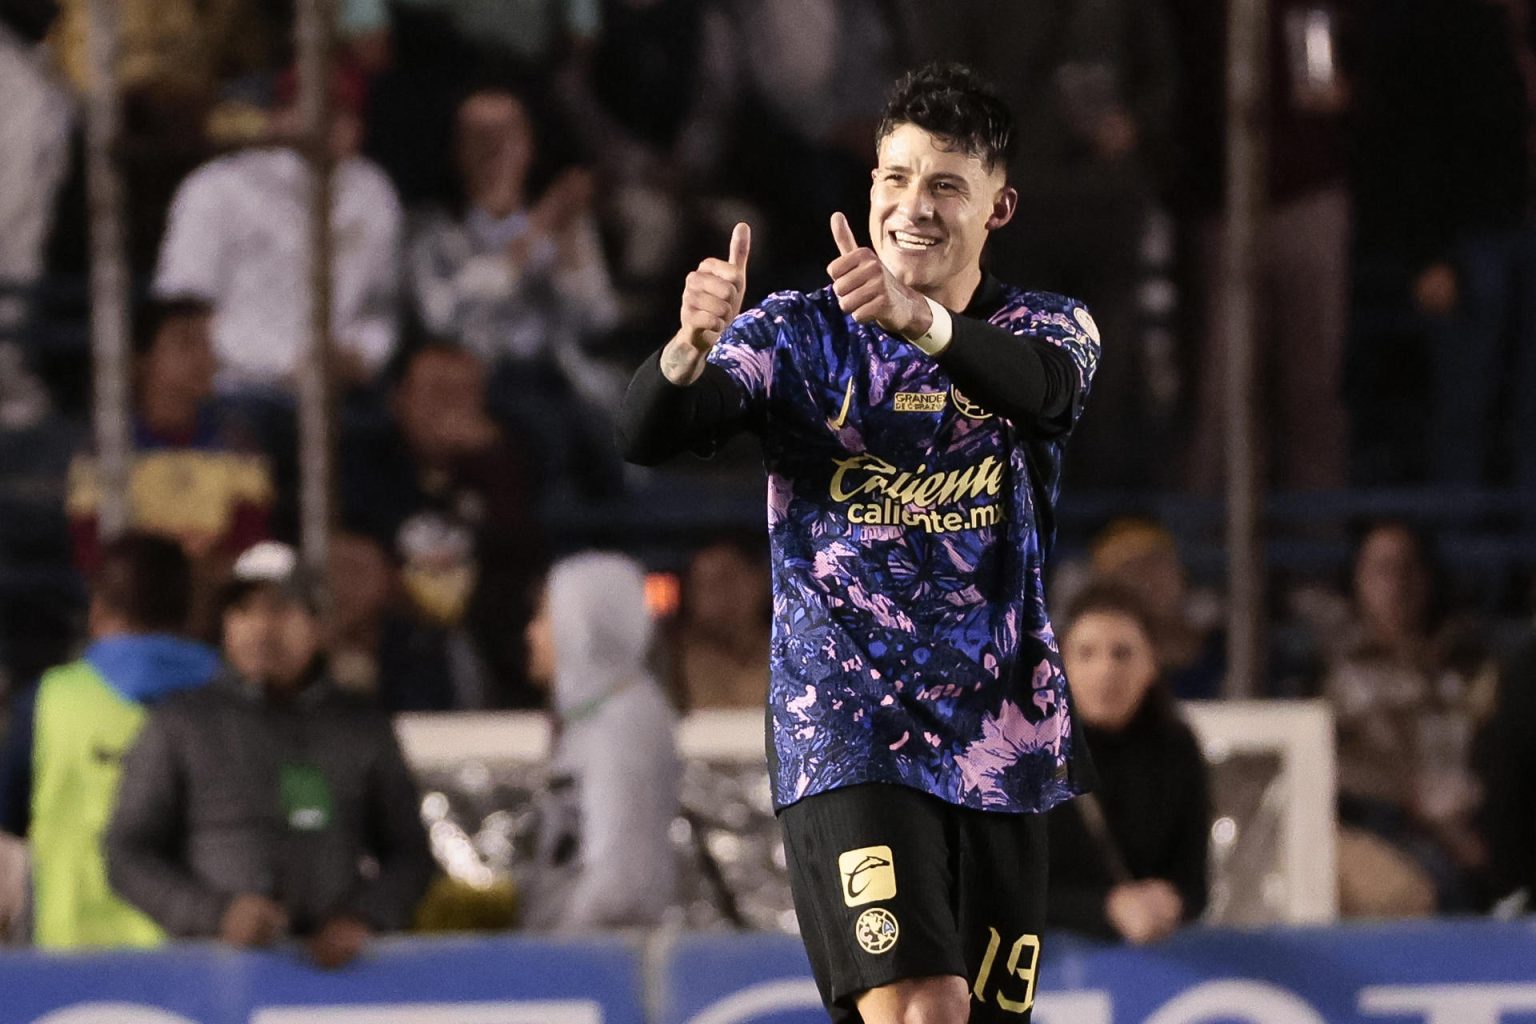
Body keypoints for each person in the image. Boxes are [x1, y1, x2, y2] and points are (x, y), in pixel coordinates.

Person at [619, 63, 1099, 1024]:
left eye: (945, 186)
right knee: (923, 1006)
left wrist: (919, 320)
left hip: (1002, 743)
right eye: (894, 179)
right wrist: (688, 349)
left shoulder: (1050, 327)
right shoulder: (802, 335)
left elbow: (1045, 393)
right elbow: (648, 434)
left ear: (999, 208)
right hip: (846, 730)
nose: (913, 208)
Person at [106, 541, 433, 968]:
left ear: (317, 625)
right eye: (243, 611)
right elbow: (127, 853)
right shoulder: (181, 723)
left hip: (335, 985)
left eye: (280, 609)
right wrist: (215, 915)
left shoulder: (360, 726)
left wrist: (363, 917)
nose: (260, 628)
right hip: (214, 980)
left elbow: (410, 855)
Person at [0, 532, 218, 948]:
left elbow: (8, 816)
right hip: (206, 957)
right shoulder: (234, 697)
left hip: (72, 963)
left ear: (97, 609)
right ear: (191, 613)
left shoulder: (47, 701)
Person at [408, 86, 624, 496]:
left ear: (528, 147)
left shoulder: (562, 225)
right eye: (479, 137)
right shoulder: (432, 233)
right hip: (482, 387)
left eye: (506, 136)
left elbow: (598, 317)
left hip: (560, 381)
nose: (493, 150)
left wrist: (569, 248)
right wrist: (531, 238)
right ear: (456, 151)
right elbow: (443, 319)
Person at [152, 66, 402, 395]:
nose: (328, 125)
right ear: (278, 114)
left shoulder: (372, 192)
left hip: (341, 393)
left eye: (342, 112)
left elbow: (381, 310)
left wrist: (361, 354)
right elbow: (183, 317)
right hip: (233, 388)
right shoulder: (214, 188)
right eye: (310, 107)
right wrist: (286, 362)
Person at [339, 342, 546, 709]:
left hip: (487, 635)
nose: (451, 409)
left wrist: (492, 462)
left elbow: (523, 557)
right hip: (394, 635)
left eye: (464, 395)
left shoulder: (505, 464)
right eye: (437, 393)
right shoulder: (365, 467)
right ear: (398, 399)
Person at [1321, 519, 1494, 915]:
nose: (1397, 585)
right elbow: (1331, 768)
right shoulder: (1334, 674)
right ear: (1358, 580)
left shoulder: (1468, 663)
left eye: (1408, 569)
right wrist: (1409, 800)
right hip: (1389, 830)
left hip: (1477, 825)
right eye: (1381, 570)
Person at [67, 299, 273, 629]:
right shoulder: (104, 448)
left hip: (215, 601)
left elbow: (250, 541)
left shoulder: (238, 445)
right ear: (141, 359)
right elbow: (91, 547)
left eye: (207, 345)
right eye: (185, 343)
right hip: (133, 601)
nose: (204, 358)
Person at [520, 552, 679, 930]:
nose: (532, 633)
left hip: (597, 965)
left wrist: (560, 950)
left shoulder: (620, 725)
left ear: (581, 624)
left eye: (544, 615)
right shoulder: (601, 712)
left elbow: (618, 883)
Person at [1048, 583, 1209, 943]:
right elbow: (1001, 890)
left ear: (1151, 664)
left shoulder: (1177, 749)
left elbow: (1195, 884)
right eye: (1086, 654)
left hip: (1151, 965)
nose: (1106, 671)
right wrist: (1106, 909)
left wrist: (1170, 902)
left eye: (1122, 653)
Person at [670, 535, 771, 711]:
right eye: (705, 585)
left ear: (759, 581)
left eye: (728, 579)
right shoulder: (670, 664)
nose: (718, 595)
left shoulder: (801, 655)